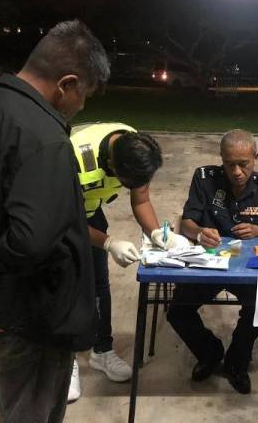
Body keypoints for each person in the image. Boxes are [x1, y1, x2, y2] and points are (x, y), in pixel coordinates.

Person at [0, 20, 110, 423]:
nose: (81, 107)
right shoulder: (43, 135)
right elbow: (34, 239)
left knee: (11, 410)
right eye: (84, 95)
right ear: (67, 83)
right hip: (27, 317)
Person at [67, 122, 188, 401]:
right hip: (60, 216)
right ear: (111, 164)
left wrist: (156, 232)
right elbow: (64, 219)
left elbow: (141, 199)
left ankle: (102, 351)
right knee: (65, 286)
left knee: (99, 284)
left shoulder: (135, 151)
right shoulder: (71, 155)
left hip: (89, 210)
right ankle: (66, 361)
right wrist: (109, 242)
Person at [167, 129, 258, 394]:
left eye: (244, 164)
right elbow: (187, 222)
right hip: (210, 263)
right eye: (230, 165)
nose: (237, 171)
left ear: (256, 157)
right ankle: (210, 352)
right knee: (178, 311)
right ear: (221, 160)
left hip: (247, 267)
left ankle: (237, 362)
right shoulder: (205, 179)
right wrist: (199, 233)